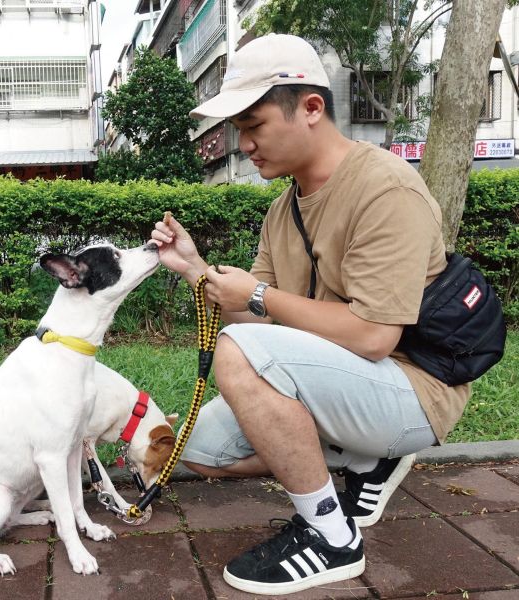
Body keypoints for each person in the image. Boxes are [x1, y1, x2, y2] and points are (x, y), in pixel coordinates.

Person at [150, 33, 470, 596]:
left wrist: (257, 298)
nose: (244, 143)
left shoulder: (386, 188)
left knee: (239, 355)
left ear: (312, 109)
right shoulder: (283, 210)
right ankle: (362, 457)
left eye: (253, 125)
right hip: (338, 384)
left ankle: (331, 535)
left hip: (410, 389)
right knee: (195, 448)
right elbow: (259, 328)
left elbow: (373, 336)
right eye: (239, 131)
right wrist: (195, 268)